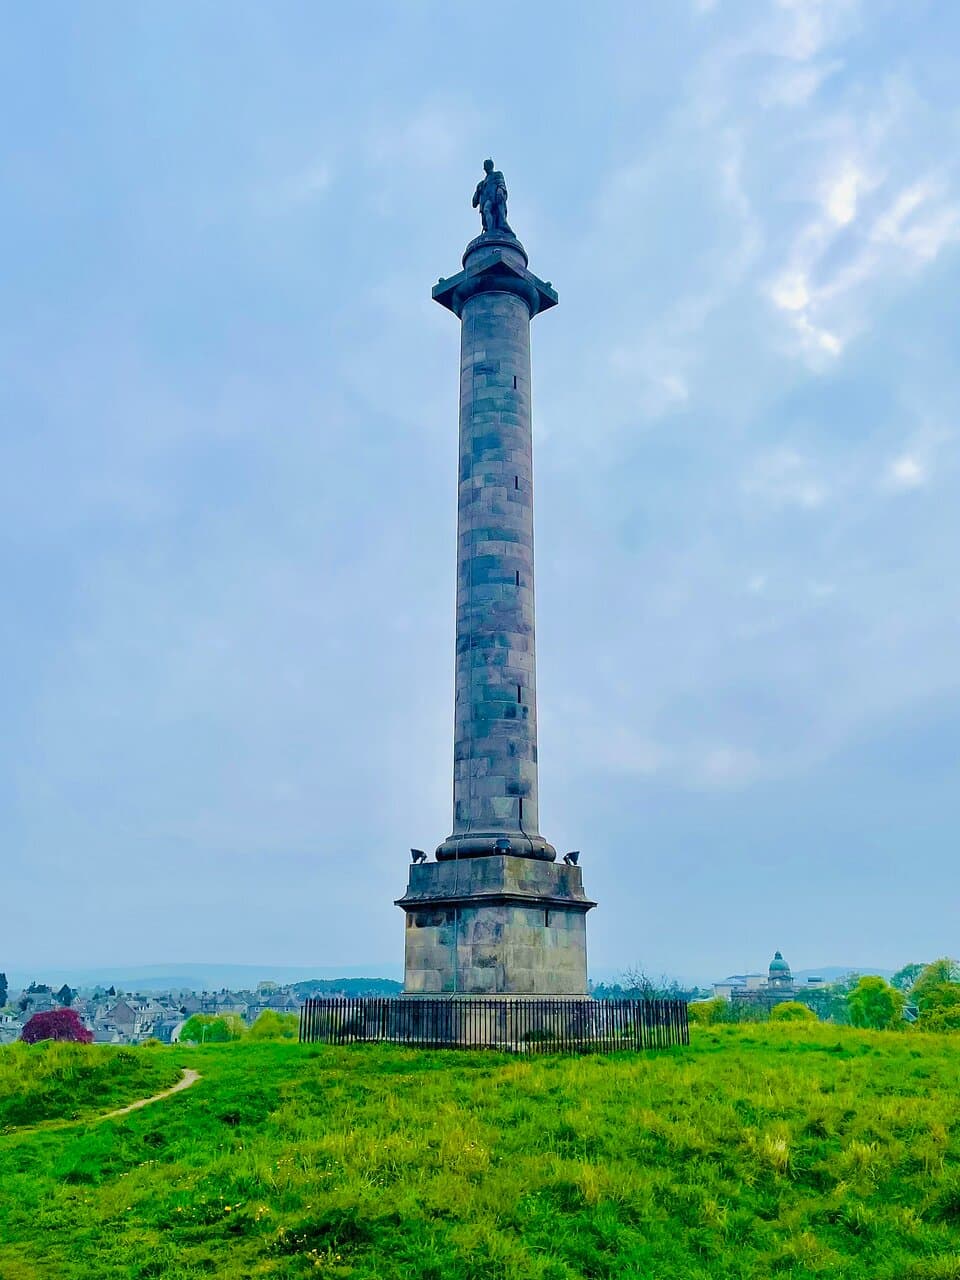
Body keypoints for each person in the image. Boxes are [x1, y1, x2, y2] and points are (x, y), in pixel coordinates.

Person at [472, 159, 513, 235]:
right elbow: (474, 203)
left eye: (487, 165)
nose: (486, 168)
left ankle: (491, 230)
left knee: (486, 209)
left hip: (493, 198)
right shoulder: (481, 184)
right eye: (485, 166)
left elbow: (501, 184)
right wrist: (478, 191)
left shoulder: (497, 174)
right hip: (486, 200)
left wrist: (500, 191)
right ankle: (490, 230)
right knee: (486, 211)